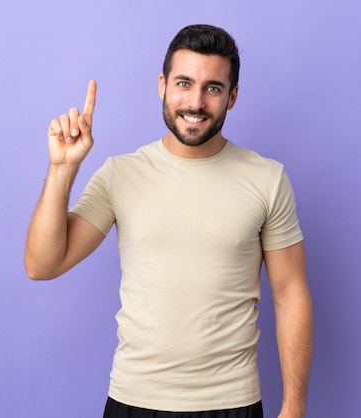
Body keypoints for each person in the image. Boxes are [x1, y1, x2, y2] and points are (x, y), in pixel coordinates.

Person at [25, 24, 313, 418]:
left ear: (232, 96)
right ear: (162, 85)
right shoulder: (119, 174)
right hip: (134, 399)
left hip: (232, 403)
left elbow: (291, 294)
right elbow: (42, 264)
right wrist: (62, 169)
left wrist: (294, 407)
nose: (195, 101)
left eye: (213, 88)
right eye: (183, 83)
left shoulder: (267, 178)